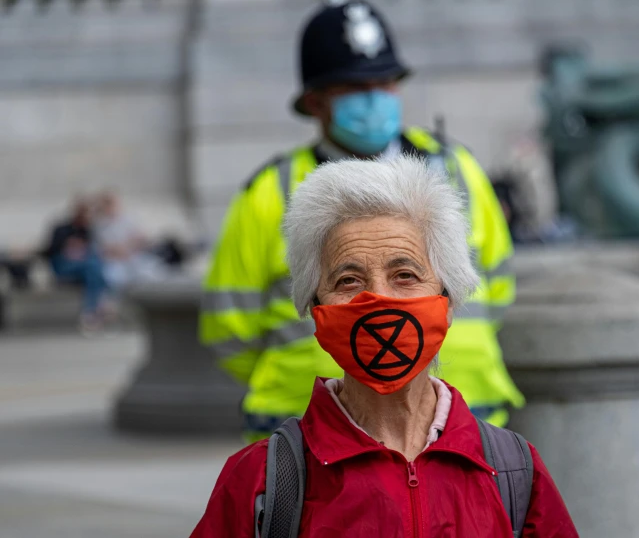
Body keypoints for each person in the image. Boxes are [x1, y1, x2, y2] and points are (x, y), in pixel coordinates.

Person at [191, 156, 577, 538]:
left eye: (405, 275)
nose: (378, 298)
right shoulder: (261, 482)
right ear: (316, 310)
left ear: (448, 299)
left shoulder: (515, 472)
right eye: (348, 280)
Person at [201, 0, 523, 442]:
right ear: (314, 103)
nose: (375, 98)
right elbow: (228, 325)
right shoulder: (270, 190)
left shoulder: (458, 169)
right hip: (310, 439)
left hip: (466, 421)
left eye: (385, 83)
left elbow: (498, 286)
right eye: (353, 88)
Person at [43, 198, 108, 332]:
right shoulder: (62, 229)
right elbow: (48, 251)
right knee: (93, 267)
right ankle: (98, 306)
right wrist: (67, 247)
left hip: (84, 269)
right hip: (63, 266)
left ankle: (90, 312)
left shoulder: (88, 231)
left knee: (92, 267)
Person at [94, 190, 165, 290]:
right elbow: (102, 247)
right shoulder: (100, 224)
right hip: (114, 261)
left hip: (134, 256)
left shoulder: (130, 219)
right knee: (114, 278)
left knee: (149, 274)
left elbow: (141, 237)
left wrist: (128, 247)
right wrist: (116, 250)